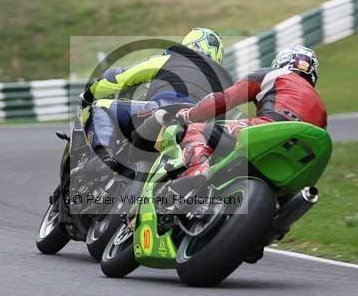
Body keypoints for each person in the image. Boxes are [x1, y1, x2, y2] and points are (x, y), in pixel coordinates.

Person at [172, 44, 327, 192]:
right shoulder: (321, 106)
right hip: (303, 156)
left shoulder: (273, 74)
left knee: (195, 130)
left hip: (271, 128)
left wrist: (189, 115)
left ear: (281, 62)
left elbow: (224, 100)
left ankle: (197, 169)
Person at [78, 28, 233, 165]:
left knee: (101, 107)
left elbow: (118, 78)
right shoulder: (225, 80)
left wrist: (90, 94)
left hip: (165, 107)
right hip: (201, 128)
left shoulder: (174, 58)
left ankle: (101, 158)